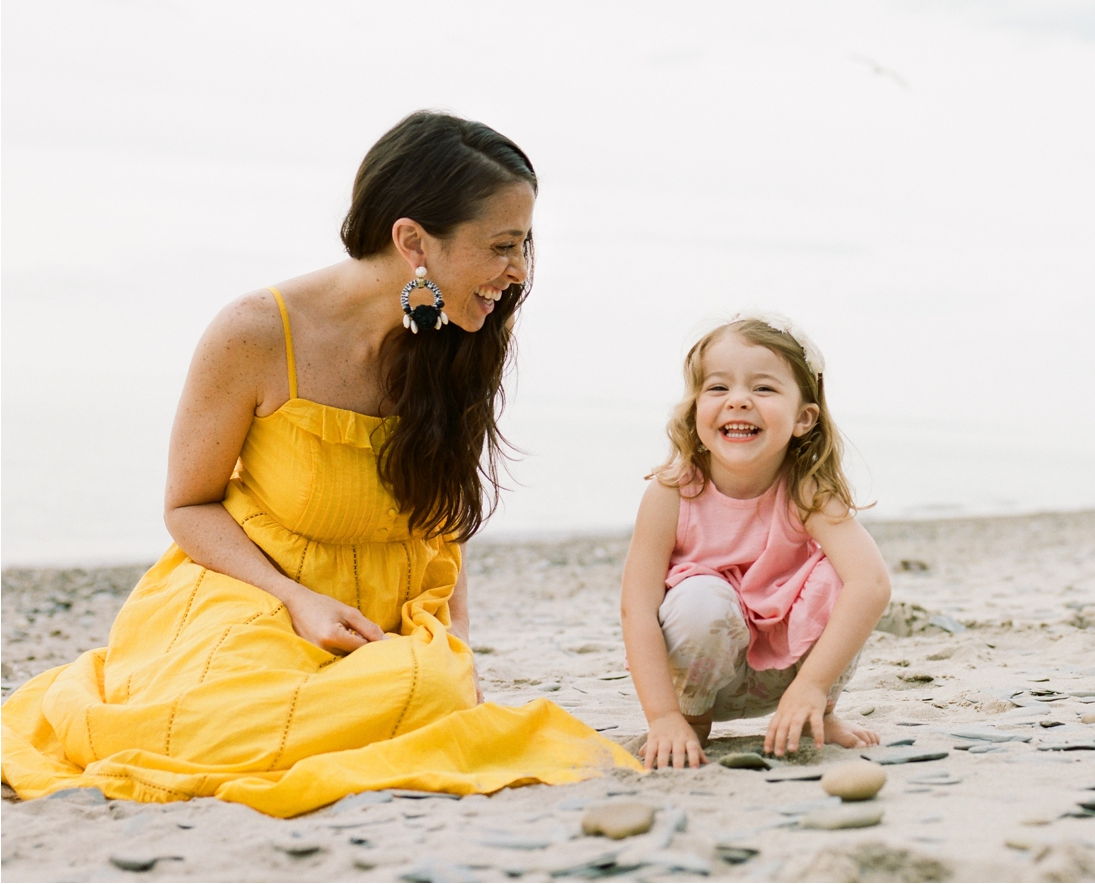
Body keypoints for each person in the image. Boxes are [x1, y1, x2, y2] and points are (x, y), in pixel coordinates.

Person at [1, 112, 637, 816]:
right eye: (501, 246)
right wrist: (297, 600)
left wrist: (456, 638)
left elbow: (442, 511)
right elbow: (188, 507)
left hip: (387, 606)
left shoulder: (462, 329)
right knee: (211, 718)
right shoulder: (255, 332)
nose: (516, 272)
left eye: (523, 245)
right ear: (412, 241)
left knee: (431, 689)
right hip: (254, 589)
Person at [621, 315, 892, 770]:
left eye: (763, 389)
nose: (739, 402)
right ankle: (691, 723)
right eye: (718, 388)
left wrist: (812, 687)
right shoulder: (671, 493)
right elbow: (636, 609)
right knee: (701, 598)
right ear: (693, 408)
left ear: (803, 418)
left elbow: (873, 584)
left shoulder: (808, 491)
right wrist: (662, 715)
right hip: (699, 679)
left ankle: (815, 715)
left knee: (842, 578)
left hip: (792, 685)